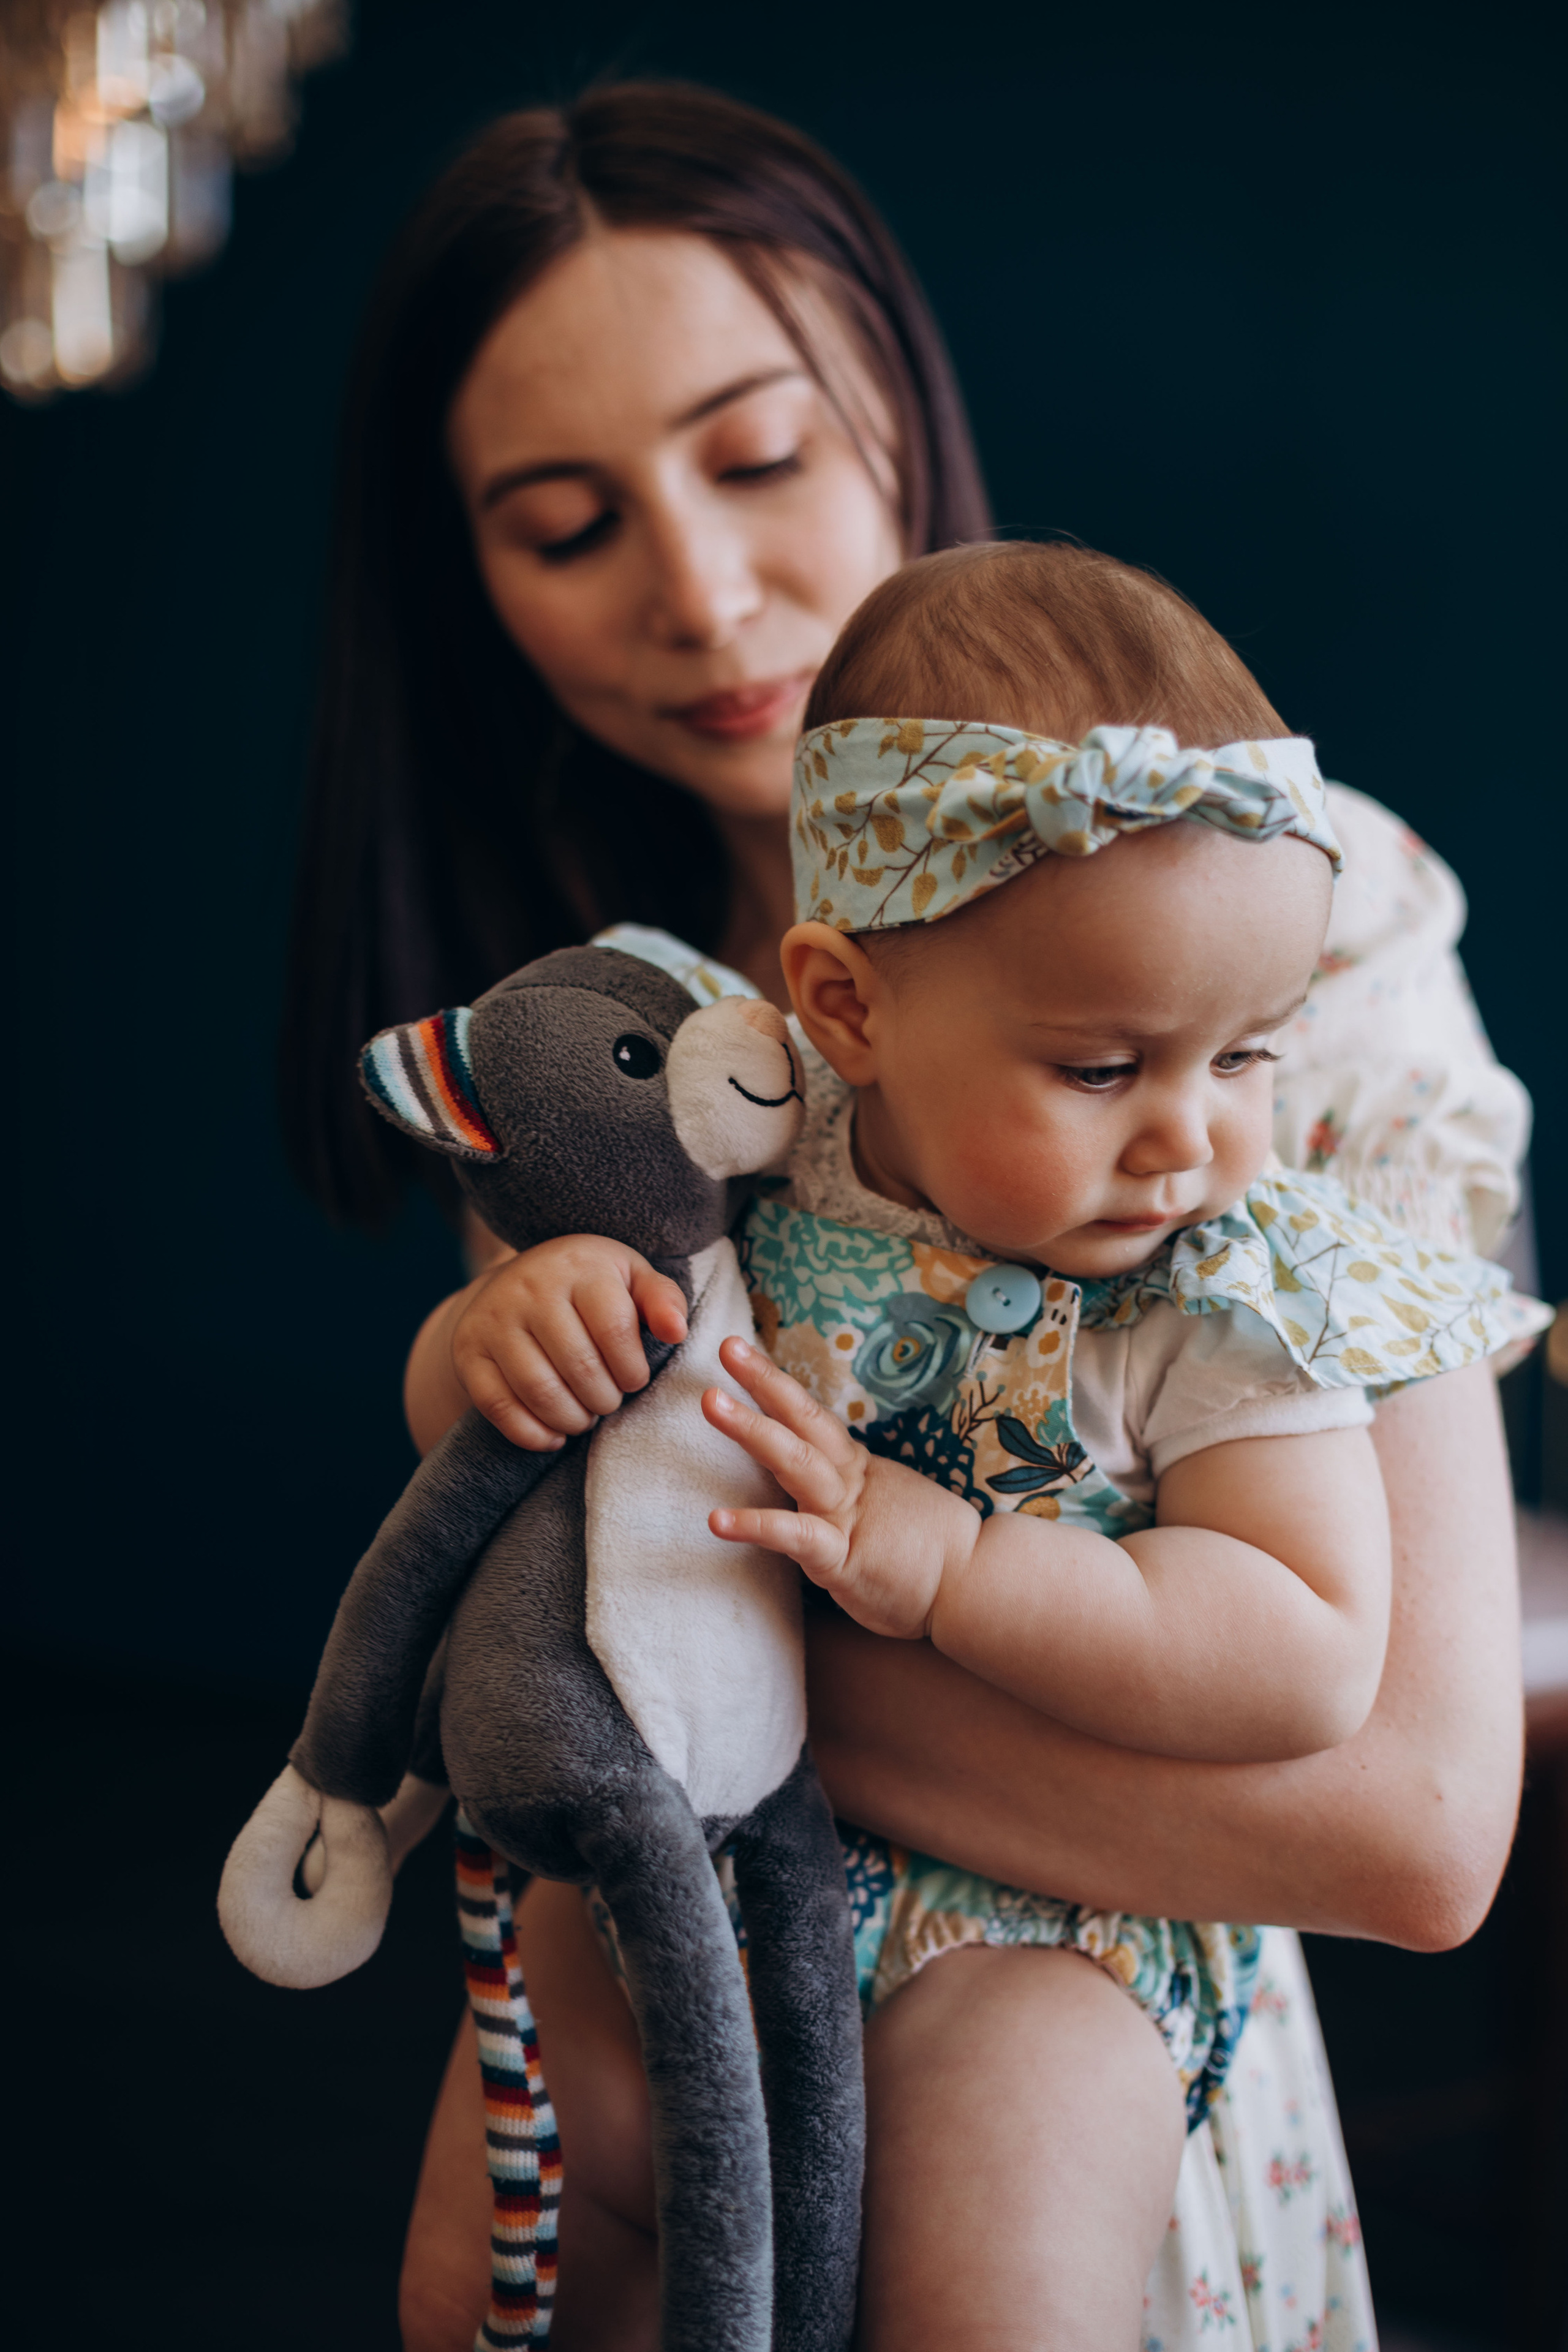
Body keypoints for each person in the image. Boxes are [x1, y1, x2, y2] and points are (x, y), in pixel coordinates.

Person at [281, 82, 1532, 2352]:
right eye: (568, 524)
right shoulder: (604, 1021)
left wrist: (688, 1673)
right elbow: (535, 1514)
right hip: (681, 1984)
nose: (700, 586)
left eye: (758, 459)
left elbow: (1413, 1823)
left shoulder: (1264, 916)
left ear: (894, 409)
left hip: (1061, 2043)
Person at [456, 540, 1545, 2345]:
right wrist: (493, 1340)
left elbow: (1300, 1648)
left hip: (1048, 1929)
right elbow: (499, 1482)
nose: (1192, 1139)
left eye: (1251, 1056)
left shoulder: (1236, 1298)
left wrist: (960, 1568)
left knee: (987, 2298)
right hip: (692, 1888)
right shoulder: (736, 1137)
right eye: (1106, 1069)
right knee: (504, 2278)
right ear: (849, 1010)